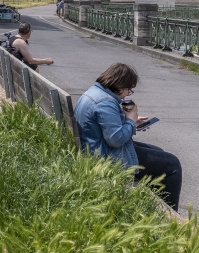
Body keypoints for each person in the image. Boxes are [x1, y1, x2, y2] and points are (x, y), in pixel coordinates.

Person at [74, 63, 182, 210]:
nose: (128, 93)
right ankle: (169, 217)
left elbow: (105, 127)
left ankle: (148, 207)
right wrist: (131, 119)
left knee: (159, 152)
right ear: (119, 85)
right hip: (108, 159)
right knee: (172, 164)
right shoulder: (105, 102)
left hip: (98, 148)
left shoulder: (95, 93)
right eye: (128, 89)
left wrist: (130, 123)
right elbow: (116, 139)